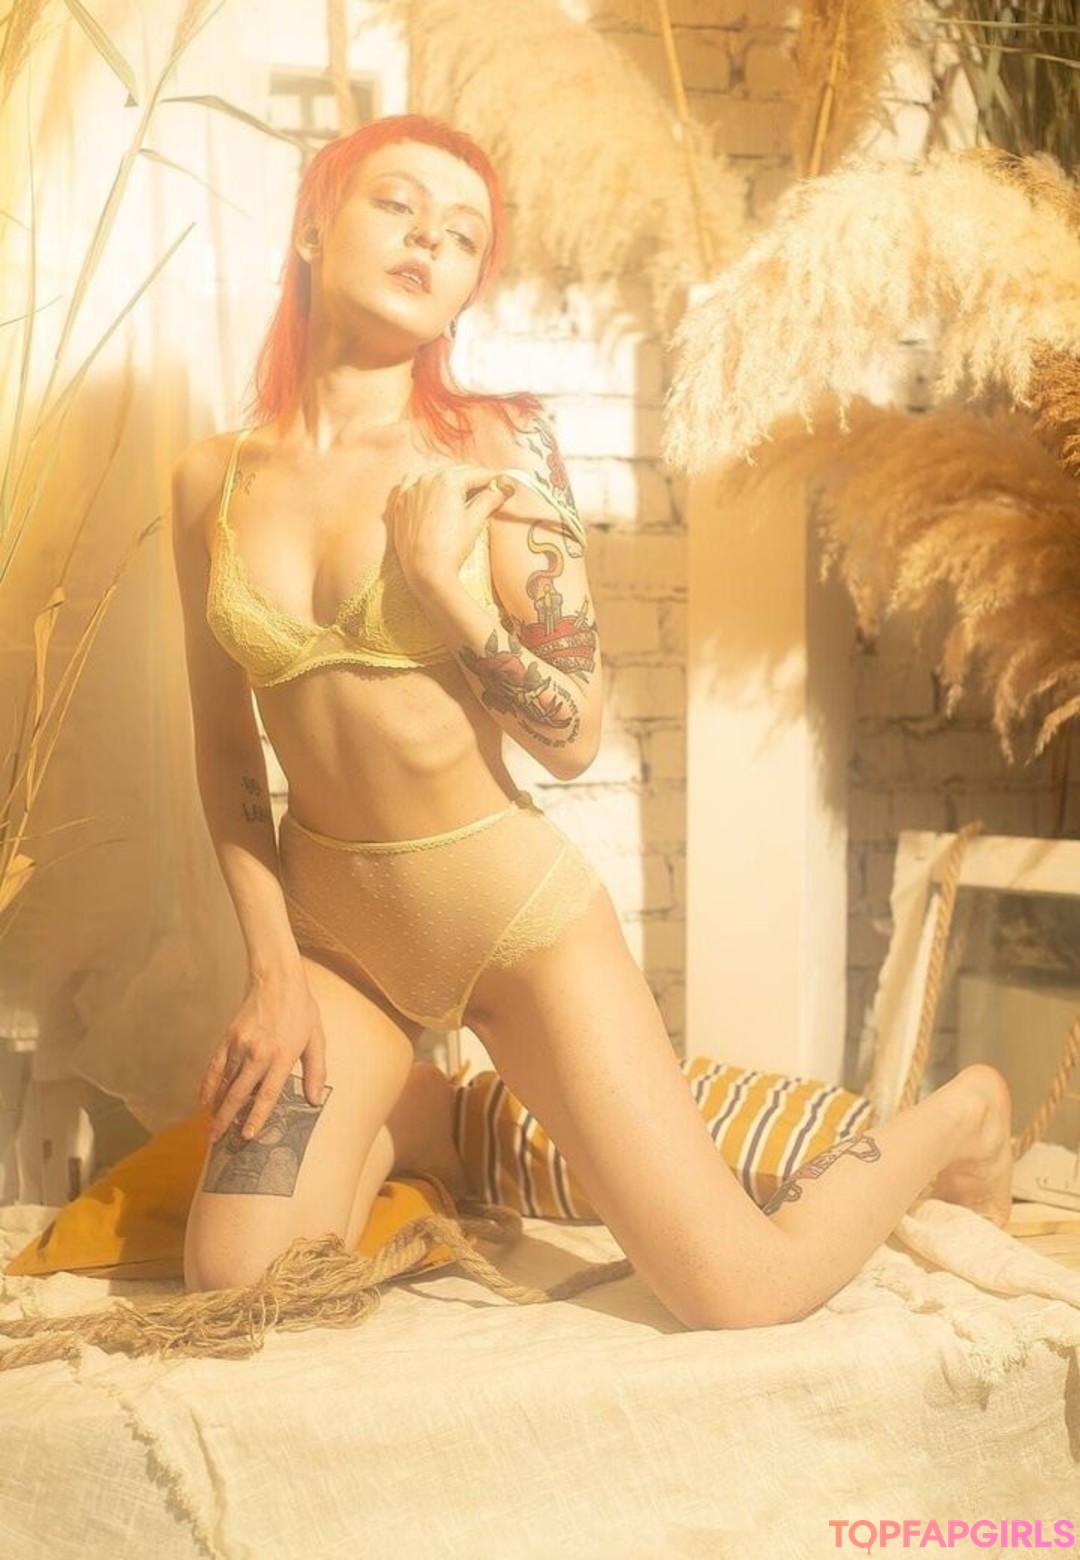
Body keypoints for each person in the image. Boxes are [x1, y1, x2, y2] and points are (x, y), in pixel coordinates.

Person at [170, 113, 1014, 1331]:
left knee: (740, 1294)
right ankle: (424, 1112)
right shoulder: (211, 480)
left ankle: (961, 1118)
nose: (429, 241)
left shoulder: (493, 445)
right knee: (236, 1284)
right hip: (334, 937)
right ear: (313, 226)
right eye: (397, 205)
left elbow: (572, 737)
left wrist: (453, 595)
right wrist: (275, 976)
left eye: (463, 236)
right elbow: (223, 753)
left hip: (507, 918)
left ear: (469, 286)